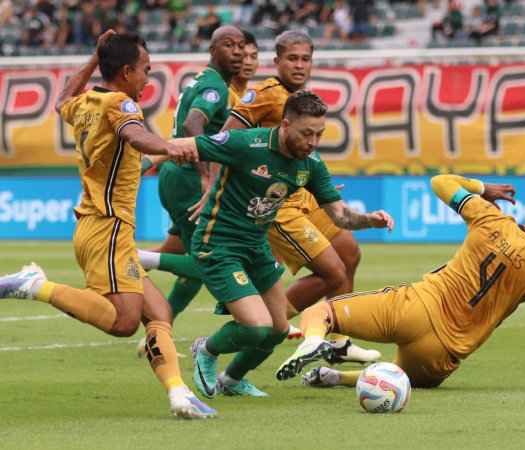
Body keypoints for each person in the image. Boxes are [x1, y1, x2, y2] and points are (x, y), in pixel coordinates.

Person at [0, 30, 215, 419]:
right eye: (146, 70)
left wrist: (93, 59)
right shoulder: (120, 104)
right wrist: (170, 146)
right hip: (109, 229)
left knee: (160, 314)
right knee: (123, 322)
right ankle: (35, 285)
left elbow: (63, 98)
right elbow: (134, 136)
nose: (148, 78)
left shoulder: (88, 103)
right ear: (128, 71)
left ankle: (179, 394)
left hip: (99, 227)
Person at [276, 174, 525, 395]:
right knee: (401, 378)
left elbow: (439, 182)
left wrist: (483, 188)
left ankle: (314, 341)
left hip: (414, 308)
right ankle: (336, 378)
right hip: (441, 354)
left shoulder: (489, 216)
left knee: (321, 312)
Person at [170, 90, 394, 398]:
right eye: (306, 134)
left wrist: (370, 219)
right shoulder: (247, 143)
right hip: (219, 244)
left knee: (277, 330)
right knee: (255, 327)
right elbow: (182, 145)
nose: (312, 142)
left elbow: (340, 215)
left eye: (319, 134)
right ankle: (205, 350)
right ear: (286, 125)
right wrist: (135, 149)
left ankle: (231, 381)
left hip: (257, 248)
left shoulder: (311, 164)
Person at [221, 30, 382, 364]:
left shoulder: (303, 98)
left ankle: (338, 343)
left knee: (350, 253)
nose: (299, 65)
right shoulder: (263, 94)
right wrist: (214, 186)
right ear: (277, 61)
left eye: (305, 59)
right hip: (276, 203)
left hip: (302, 196)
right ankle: (268, 323)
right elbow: (227, 140)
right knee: (333, 272)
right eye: (291, 59)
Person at [135, 26, 245, 357]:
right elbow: (192, 127)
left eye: (241, 46)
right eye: (229, 46)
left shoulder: (201, 81)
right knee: (208, 262)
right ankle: (136, 259)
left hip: (174, 175)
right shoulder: (214, 88)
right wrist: (206, 179)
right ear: (213, 50)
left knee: (186, 253)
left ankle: (158, 331)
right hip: (187, 180)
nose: (237, 52)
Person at [228, 29, 259, 107]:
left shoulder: (251, 95)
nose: (249, 62)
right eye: (243, 56)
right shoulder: (223, 93)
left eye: (253, 56)